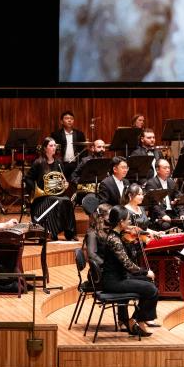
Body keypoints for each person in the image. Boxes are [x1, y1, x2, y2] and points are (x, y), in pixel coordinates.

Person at [96, 205, 159, 336]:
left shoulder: (118, 236)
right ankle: (137, 320)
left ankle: (136, 320)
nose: (130, 222)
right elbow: (128, 264)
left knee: (149, 283)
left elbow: (130, 258)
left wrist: (135, 242)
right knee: (151, 289)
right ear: (121, 222)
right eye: (128, 220)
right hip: (114, 281)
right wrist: (145, 272)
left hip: (121, 277)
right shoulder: (114, 240)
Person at [28, 136, 76, 240]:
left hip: (56, 194)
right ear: (45, 148)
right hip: (42, 197)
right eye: (51, 145)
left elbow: (62, 179)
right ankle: (52, 233)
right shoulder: (38, 163)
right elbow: (28, 178)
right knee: (57, 201)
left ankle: (70, 233)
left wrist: (65, 184)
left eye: (55, 145)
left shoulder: (58, 163)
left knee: (67, 201)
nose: (54, 147)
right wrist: (36, 190)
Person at [50, 110, 86, 180]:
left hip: (76, 164)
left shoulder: (80, 134)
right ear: (61, 121)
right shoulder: (56, 134)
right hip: (62, 164)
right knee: (61, 182)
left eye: (71, 119)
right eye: (67, 118)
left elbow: (84, 150)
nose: (69, 120)